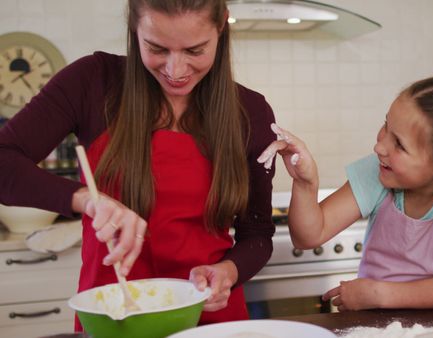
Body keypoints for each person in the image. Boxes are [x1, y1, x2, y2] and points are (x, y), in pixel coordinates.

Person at [0, 0, 276, 328]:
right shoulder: (92, 82)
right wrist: (86, 199)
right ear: (135, 30)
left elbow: (257, 234)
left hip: (213, 322)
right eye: (157, 48)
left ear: (222, 28)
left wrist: (229, 272)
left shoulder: (251, 112)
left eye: (195, 50)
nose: (176, 70)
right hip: (115, 321)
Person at [258, 66, 433, 311]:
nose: (379, 147)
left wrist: (379, 294)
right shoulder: (378, 172)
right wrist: (305, 183)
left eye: (399, 145)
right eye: (385, 126)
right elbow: (308, 236)